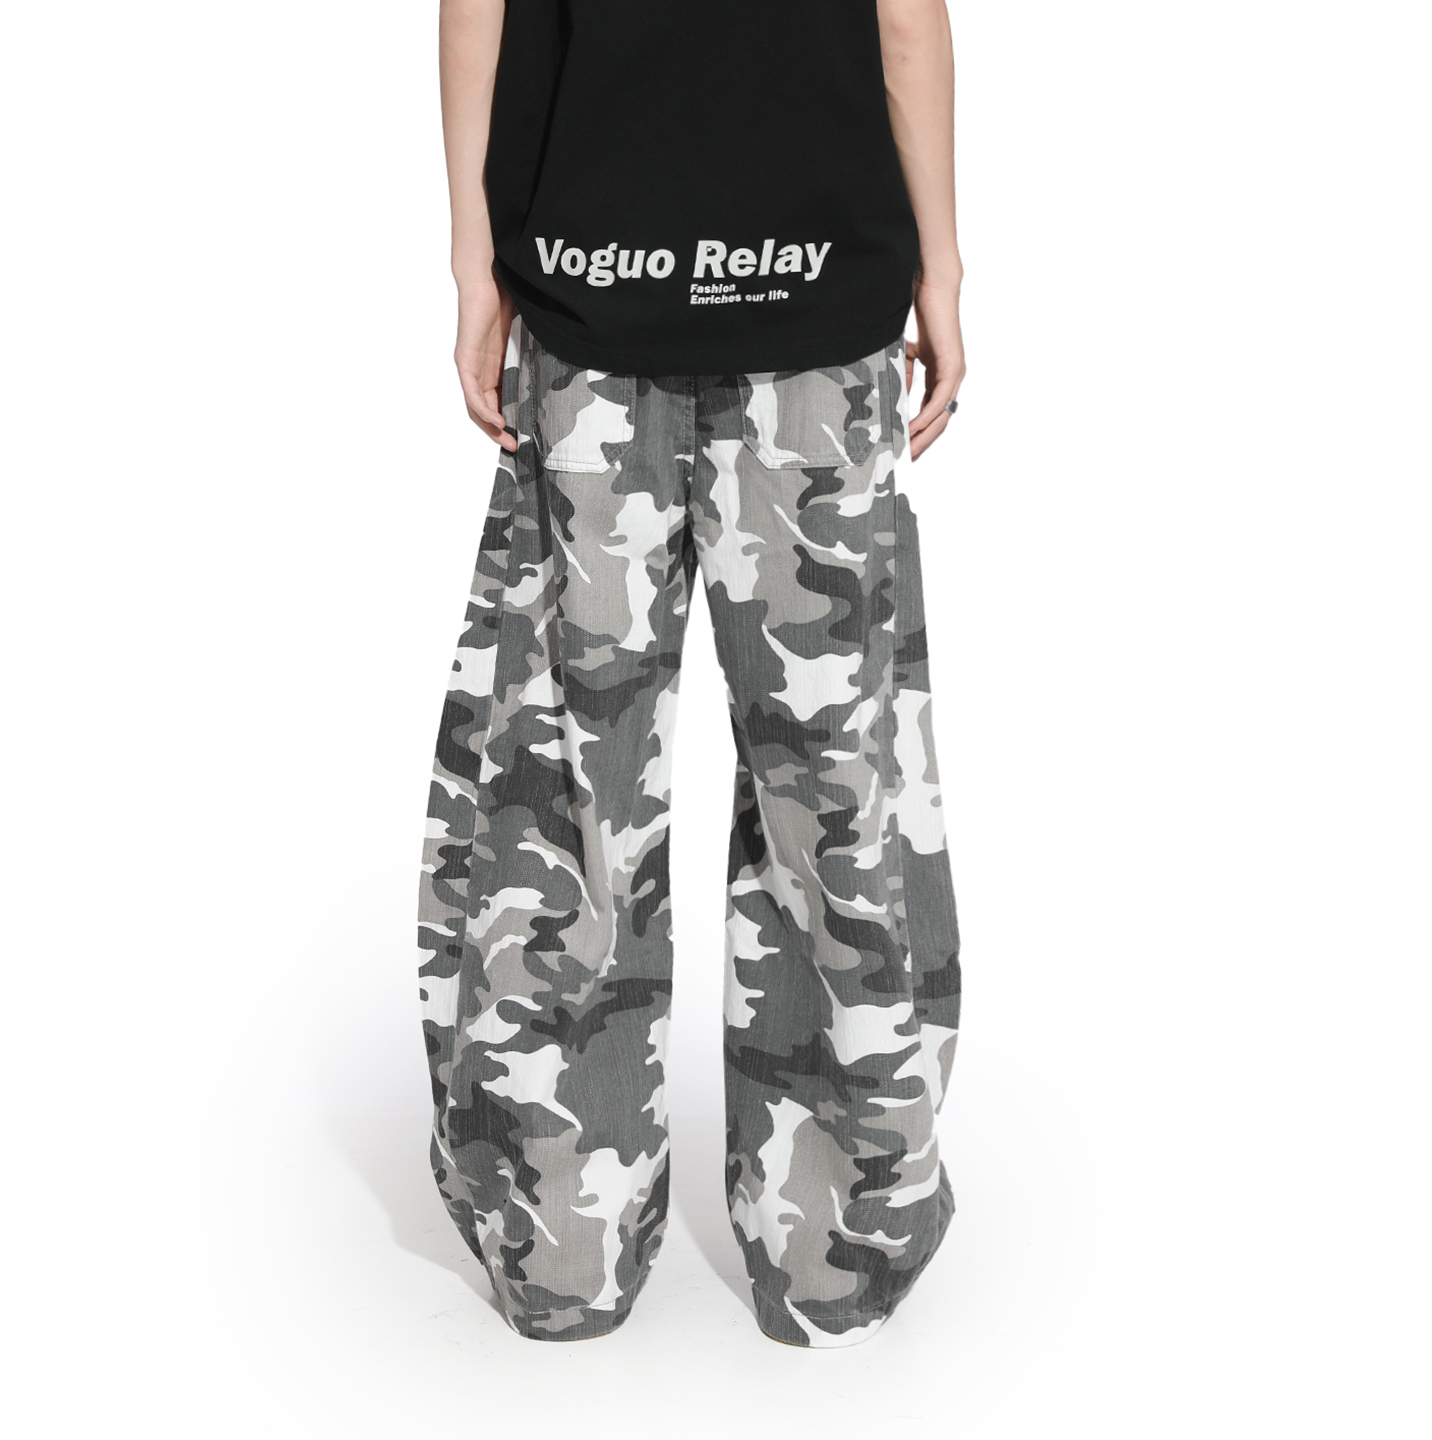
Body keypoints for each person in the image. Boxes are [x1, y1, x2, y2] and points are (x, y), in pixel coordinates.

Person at [418, 0, 966, 1347]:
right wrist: (942, 265)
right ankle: (840, 1250)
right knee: (835, 784)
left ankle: (562, 1248)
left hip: (590, 297)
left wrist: (476, 260)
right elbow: (904, 21)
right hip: (818, 294)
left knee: (567, 782)